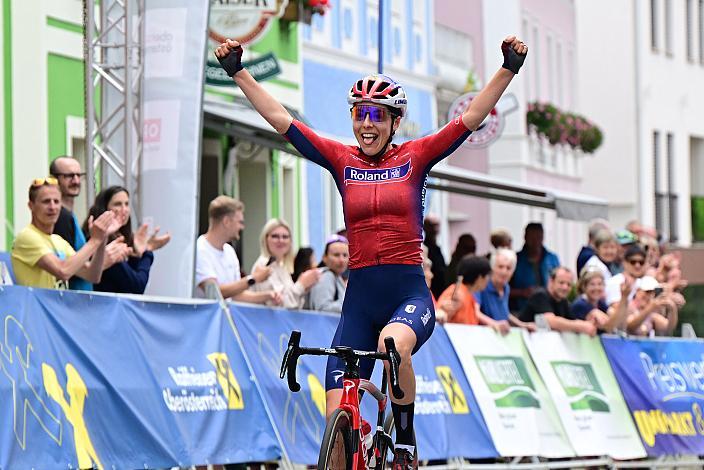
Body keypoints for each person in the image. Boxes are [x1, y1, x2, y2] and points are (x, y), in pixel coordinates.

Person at [215, 33, 527, 467]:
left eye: (377, 116)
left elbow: (471, 118)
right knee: (335, 420)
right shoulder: (342, 160)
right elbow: (281, 119)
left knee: (392, 345)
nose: (367, 123)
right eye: (360, 114)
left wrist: (508, 68)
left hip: (407, 296)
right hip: (359, 302)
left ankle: (403, 440)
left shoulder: (416, 157)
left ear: (394, 122)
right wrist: (237, 71)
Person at [11, 178, 118, 289]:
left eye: (56, 202)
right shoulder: (27, 236)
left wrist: (101, 239)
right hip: (36, 306)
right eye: (46, 201)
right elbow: (63, 271)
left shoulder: (58, 240)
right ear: (31, 205)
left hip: (55, 306)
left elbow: (92, 275)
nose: (52, 207)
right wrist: (94, 240)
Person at [50, 156, 130, 290]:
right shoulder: (62, 217)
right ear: (54, 179)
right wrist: (103, 259)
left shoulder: (69, 216)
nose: (75, 180)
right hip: (72, 300)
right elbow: (65, 270)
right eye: (68, 176)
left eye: (78, 175)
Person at [82, 186, 171, 294]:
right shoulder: (106, 244)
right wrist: (147, 251)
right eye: (118, 204)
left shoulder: (122, 237)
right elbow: (136, 287)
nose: (124, 210)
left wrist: (137, 253)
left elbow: (129, 279)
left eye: (127, 204)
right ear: (104, 209)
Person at [194, 196, 280, 304]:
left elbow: (236, 294)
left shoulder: (229, 251)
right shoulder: (200, 250)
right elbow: (215, 292)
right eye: (240, 222)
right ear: (226, 221)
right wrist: (253, 279)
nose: (242, 227)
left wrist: (267, 296)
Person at [250, 218, 320, 309]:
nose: (281, 240)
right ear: (265, 239)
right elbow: (277, 304)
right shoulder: (263, 265)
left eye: (285, 237)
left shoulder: (282, 267)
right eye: (275, 236)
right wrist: (301, 285)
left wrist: (306, 287)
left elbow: (295, 304)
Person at [436, 255, 511, 335]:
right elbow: (440, 318)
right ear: (480, 278)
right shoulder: (457, 293)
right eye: (487, 276)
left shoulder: (469, 295)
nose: (488, 279)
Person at [518, 267, 597, 336]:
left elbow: (571, 321)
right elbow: (550, 321)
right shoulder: (540, 295)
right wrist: (581, 326)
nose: (565, 287)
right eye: (561, 283)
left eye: (569, 284)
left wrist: (590, 322)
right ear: (551, 281)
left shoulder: (563, 302)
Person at [476, 248, 534, 330]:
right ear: (492, 268)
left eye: (508, 268)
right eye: (500, 267)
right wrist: (495, 324)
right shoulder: (481, 284)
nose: (504, 272)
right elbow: (475, 312)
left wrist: (523, 325)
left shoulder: (506, 288)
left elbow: (505, 313)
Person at [509, 222, 560, 312]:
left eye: (538, 237)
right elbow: (503, 289)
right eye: (532, 238)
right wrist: (522, 292)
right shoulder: (515, 260)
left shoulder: (552, 258)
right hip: (521, 310)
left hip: (549, 308)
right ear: (525, 238)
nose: (535, 241)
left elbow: (559, 283)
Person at [306, 235, 349, 313]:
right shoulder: (327, 276)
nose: (341, 260)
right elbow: (323, 308)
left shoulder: (336, 276)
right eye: (336, 255)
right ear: (324, 257)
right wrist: (352, 305)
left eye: (345, 255)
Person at [424, 214, 449, 299]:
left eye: (437, 225)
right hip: (432, 292)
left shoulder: (436, 248)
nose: (435, 228)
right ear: (425, 227)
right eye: (432, 225)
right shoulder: (425, 249)